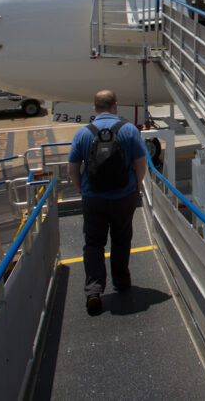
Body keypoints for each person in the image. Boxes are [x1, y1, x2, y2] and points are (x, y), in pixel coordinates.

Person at [67, 90, 148, 315]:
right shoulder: (129, 130)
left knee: (93, 243)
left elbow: (72, 170)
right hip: (124, 197)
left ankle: (93, 290)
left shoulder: (83, 133)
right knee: (121, 240)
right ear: (115, 106)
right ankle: (121, 282)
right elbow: (141, 164)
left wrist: (82, 189)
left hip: (93, 198)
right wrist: (136, 187)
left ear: (94, 108)